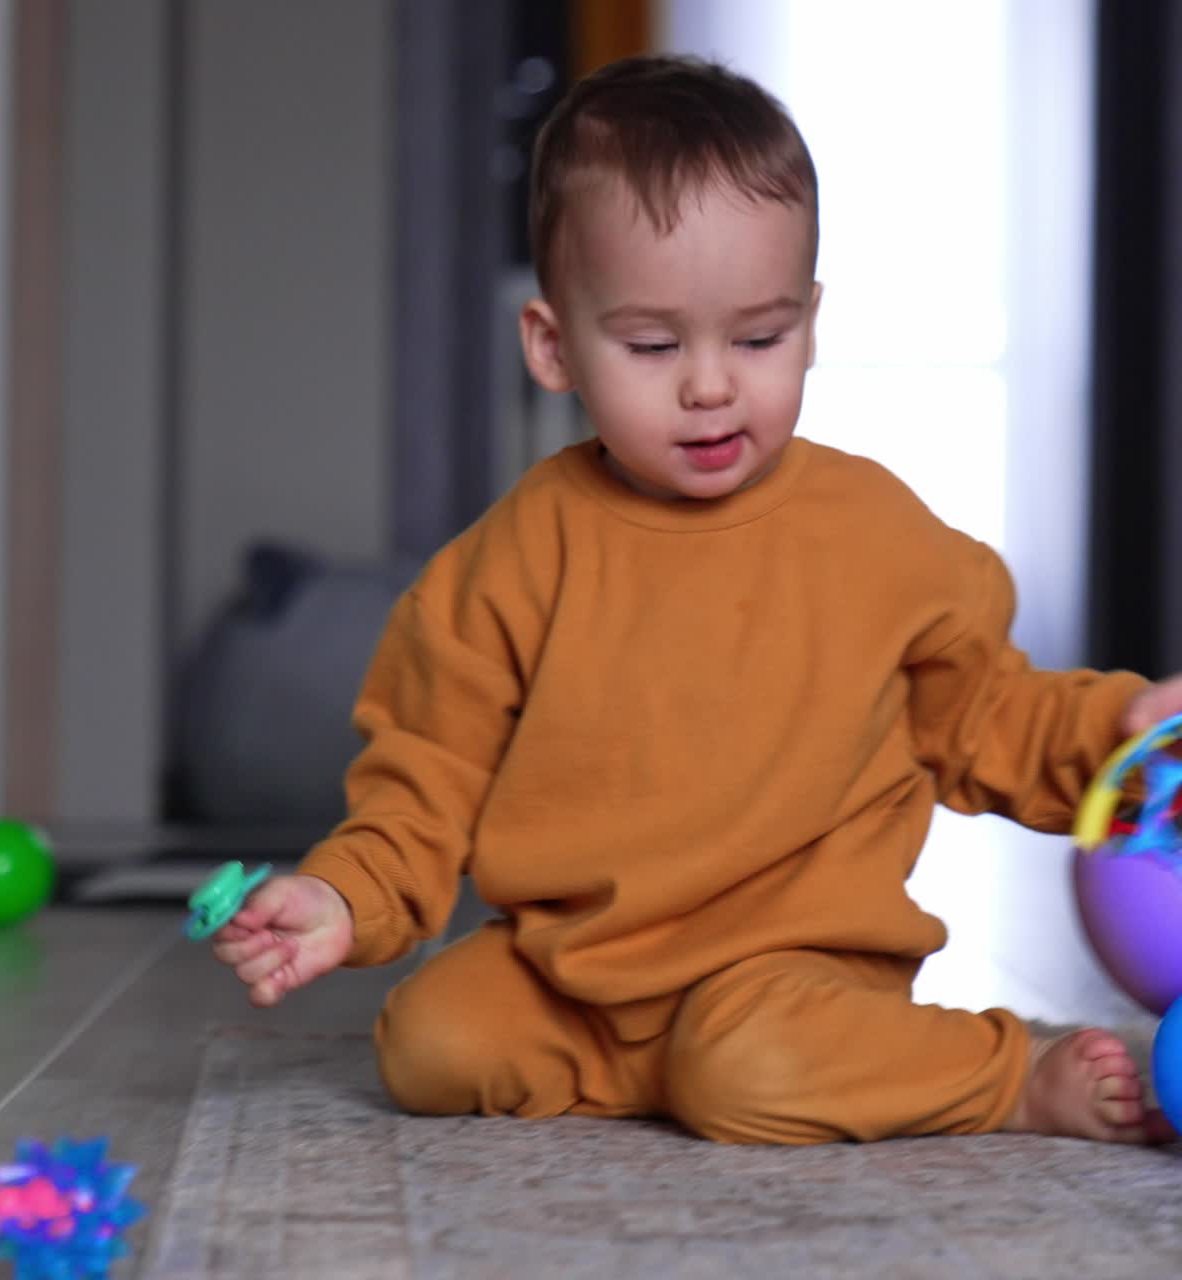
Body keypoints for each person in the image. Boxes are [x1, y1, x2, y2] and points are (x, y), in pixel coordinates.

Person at [213, 54, 1182, 1145]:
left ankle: (1004, 1076)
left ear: (809, 322)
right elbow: (427, 776)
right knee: (431, 1043)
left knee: (748, 1064)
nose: (711, 384)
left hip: (793, 971)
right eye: (653, 345)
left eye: (759, 338)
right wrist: (344, 896)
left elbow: (987, 717)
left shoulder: (874, 535)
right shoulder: (509, 562)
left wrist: (1118, 729)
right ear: (553, 346)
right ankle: (662, 1072)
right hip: (579, 977)